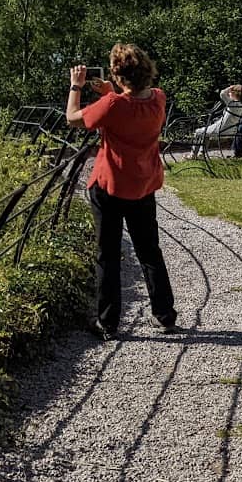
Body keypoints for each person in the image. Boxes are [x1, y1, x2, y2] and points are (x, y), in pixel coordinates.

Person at [65, 44, 177, 339]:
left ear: (118, 75)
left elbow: (73, 118)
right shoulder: (158, 99)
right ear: (146, 70)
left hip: (110, 186)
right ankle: (164, 315)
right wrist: (109, 92)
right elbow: (132, 105)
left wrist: (76, 86)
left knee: (109, 254)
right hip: (143, 185)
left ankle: (108, 321)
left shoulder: (113, 105)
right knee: (150, 251)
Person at [194, 83, 242, 154]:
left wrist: (230, 87)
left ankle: (193, 155)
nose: (229, 94)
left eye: (230, 93)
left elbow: (222, 94)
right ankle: (201, 153)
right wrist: (241, 90)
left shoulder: (232, 104)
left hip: (221, 129)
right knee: (205, 131)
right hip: (233, 130)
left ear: (234, 94)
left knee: (198, 132)